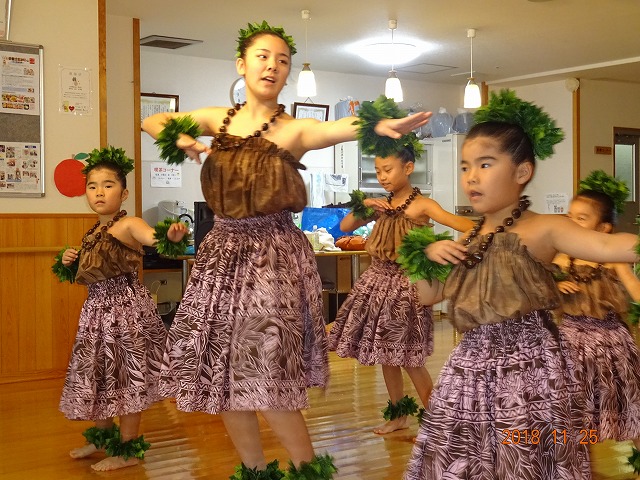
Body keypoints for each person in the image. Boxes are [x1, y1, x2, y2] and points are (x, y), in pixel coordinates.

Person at [141, 20, 430, 479]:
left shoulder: (294, 130)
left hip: (271, 257)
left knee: (265, 370)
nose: (272, 66)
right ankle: (255, 471)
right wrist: (180, 137)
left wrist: (377, 124)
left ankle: (307, 470)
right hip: (221, 256)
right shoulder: (218, 119)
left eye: (282, 60)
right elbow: (151, 119)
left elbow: (336, 127)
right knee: (224, 373)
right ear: (241, 64)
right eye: (262, 56)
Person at [402, 89, 640, 480]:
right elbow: (427, 295)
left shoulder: (545, 228)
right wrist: (427, 256)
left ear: (521, 173)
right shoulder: (469, 238)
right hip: (468, 374)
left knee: (525, 462)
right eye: (465, 167)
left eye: (485, 164)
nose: (471, 176)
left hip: (530, 374)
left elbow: (606, 246)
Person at [56, 147, 188, 472]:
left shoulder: (129, 223)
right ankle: (103, 440)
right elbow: (90, 271)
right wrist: (69, 261)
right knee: (101, 376)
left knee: (128, 379)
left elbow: (153, 237)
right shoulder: (93, 231)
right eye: (92, 186)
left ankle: (129, 449)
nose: (99, 192)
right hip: (96, 313)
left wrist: (169, 235)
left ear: (124, 192)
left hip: (125, 312)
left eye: (108, 185)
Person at [328, 143, 474, 435]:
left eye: (388, 169)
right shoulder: (381, 206)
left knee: (409, 359)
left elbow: (470, 226)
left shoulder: (423, 205)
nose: (382, 176)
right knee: (387, 356)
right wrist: (367, 205)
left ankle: (437, 422)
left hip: (407, 288)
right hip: (376, 283)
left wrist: (447, 248)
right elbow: (345, 226)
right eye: (378, 170)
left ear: (408, 168)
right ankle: (399, 416)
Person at [552, 171, 640, 474]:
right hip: (569, 343)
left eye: (582, 218)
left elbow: (634, 290)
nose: (572, 222)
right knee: (577, 412)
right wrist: (555, 285)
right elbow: (538, 289)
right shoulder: (562, 258)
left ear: (603, 228)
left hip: (611, 344)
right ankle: (580, 469)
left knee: (628, 406)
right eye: (570, 216)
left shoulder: (614, 257)